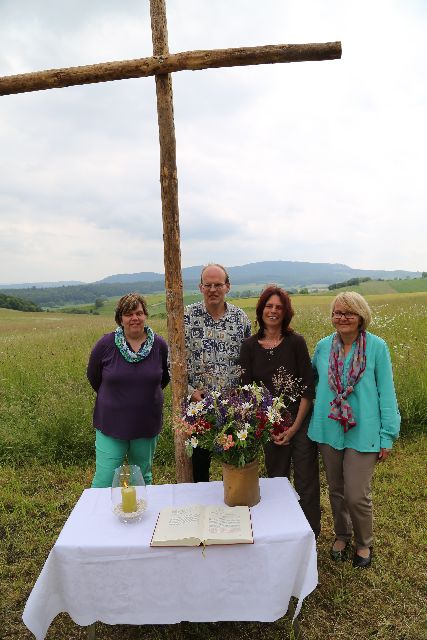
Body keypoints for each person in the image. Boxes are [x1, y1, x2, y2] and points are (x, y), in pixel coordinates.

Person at [308, 292, 400, 568]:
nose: (342, 317)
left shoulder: (377, 347)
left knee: (356, 494)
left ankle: (363, 542)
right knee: (336, 489)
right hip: (329, 428)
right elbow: (311, 384)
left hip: (365, 431)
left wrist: (388, 434)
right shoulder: (323, 347)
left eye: (349, 312)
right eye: (337, 312)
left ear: (361, 316)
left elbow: (386, 392)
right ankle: (342, 534)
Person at [239, 285, 321, 538]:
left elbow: (308, 387)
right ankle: (284, 535)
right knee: (277, 480)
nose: (273, 311)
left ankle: (309, 534)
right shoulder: (249, 346)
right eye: (269, 306)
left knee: (306, 480)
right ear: (261, 310)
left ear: (286, 312)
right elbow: (246, 391)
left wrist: (294, 427)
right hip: (269, 424)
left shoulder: (296, 343)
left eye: (279, 307)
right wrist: (267, 424)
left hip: (300, 419)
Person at [87, 292, 170, 488]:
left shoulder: (159, 345)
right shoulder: (105, 345)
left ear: (145, 316)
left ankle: (141, 516)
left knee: (142, 477)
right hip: (111, 424)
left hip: (146, 424)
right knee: (105, 480)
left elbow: (164, 379)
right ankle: (99, 518)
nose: (134, 318)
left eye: (139, 313)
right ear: (120, 318)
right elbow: (94, 377)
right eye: (128, 314)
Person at [184, 264, 251, 481]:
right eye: (208, 285)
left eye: (218, 285)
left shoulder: (241, 320)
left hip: (231, 411)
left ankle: (233, 509)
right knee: (198, 468)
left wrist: (243, 396)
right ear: (200, 287)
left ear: (227, 287)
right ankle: (200, 512)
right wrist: (190, 391)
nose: (213, 289)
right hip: (198, 408)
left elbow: (249, 363)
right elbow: (173, 363)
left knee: (233, 467)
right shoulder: (185, 318)